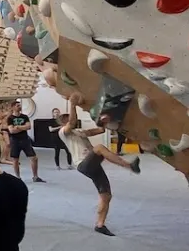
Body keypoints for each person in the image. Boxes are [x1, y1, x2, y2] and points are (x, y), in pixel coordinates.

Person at [60, 92, 140, 236]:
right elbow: (71, 122)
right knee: (99, 148)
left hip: (93, 166)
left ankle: (100, 225)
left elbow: (100, 129)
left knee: (106, 195)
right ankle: (129, 165)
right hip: (83, 164)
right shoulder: (63, 132)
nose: (73, 120)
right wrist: (72, 104)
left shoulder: (80, 132)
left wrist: (103, 118)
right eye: (69, 119)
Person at [6, 102, 44, 183]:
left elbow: (29, 126)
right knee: (15, 160)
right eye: (17, 106)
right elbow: (12, 131)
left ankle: (35, 176)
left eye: (20, 105)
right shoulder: (10, 118)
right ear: (13, 107)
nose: (20, 107)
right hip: (15, 140)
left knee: (34, 158)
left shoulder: (25, 116)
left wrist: (18, 127)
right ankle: (18, 177)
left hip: (25, 139)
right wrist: (23, 128)